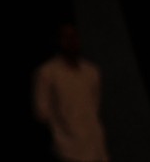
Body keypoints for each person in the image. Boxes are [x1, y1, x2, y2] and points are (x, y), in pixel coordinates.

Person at [34, 23, 109, 162]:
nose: (71, 41)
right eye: (66, 37)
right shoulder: (48, 73)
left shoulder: (91, 72)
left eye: (74, 36)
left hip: (95, 145)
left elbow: (95, 104)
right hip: (68, 148)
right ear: (58, 40)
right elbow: (42, 111)